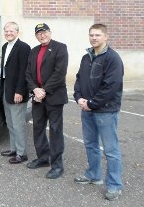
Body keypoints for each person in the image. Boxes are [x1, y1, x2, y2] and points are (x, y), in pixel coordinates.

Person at [73, 24, 124, 201]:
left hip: (105, 111)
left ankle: (115, 185)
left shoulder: (112, 58)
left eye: (98, 35)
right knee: (90, 145)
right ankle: (93, 175)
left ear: (106, 37)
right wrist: (78, 97)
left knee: (111, 150)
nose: (94, 38)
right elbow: (79, 79)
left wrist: (92, 103)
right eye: (91, 35)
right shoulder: (86, 57)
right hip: (87, 109)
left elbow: (111, 86)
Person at [25, 23, 68, 179]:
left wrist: (43, 90)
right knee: (38, 128)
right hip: (37, 97)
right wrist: (35, 89)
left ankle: (57, 165)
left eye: (44, 32)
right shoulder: (34, 51)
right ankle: (43, 158)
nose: (41, 35)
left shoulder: (60, 48)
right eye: (38, 33)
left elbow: (59, 73)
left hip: (54, 97)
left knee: (55, 131)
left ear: (50, 32)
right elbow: (28, 73)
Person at [0, 22, 31, 164]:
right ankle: (13, 149)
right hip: (7, 88)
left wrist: (20, 91)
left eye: (11, 31)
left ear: (17, 32)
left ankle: (21, 153)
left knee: (18, 124)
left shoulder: (24, 47)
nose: (8, 33)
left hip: (17, 90)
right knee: (10, 122)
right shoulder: (5, 46)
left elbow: (24, 71)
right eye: (6, 31)